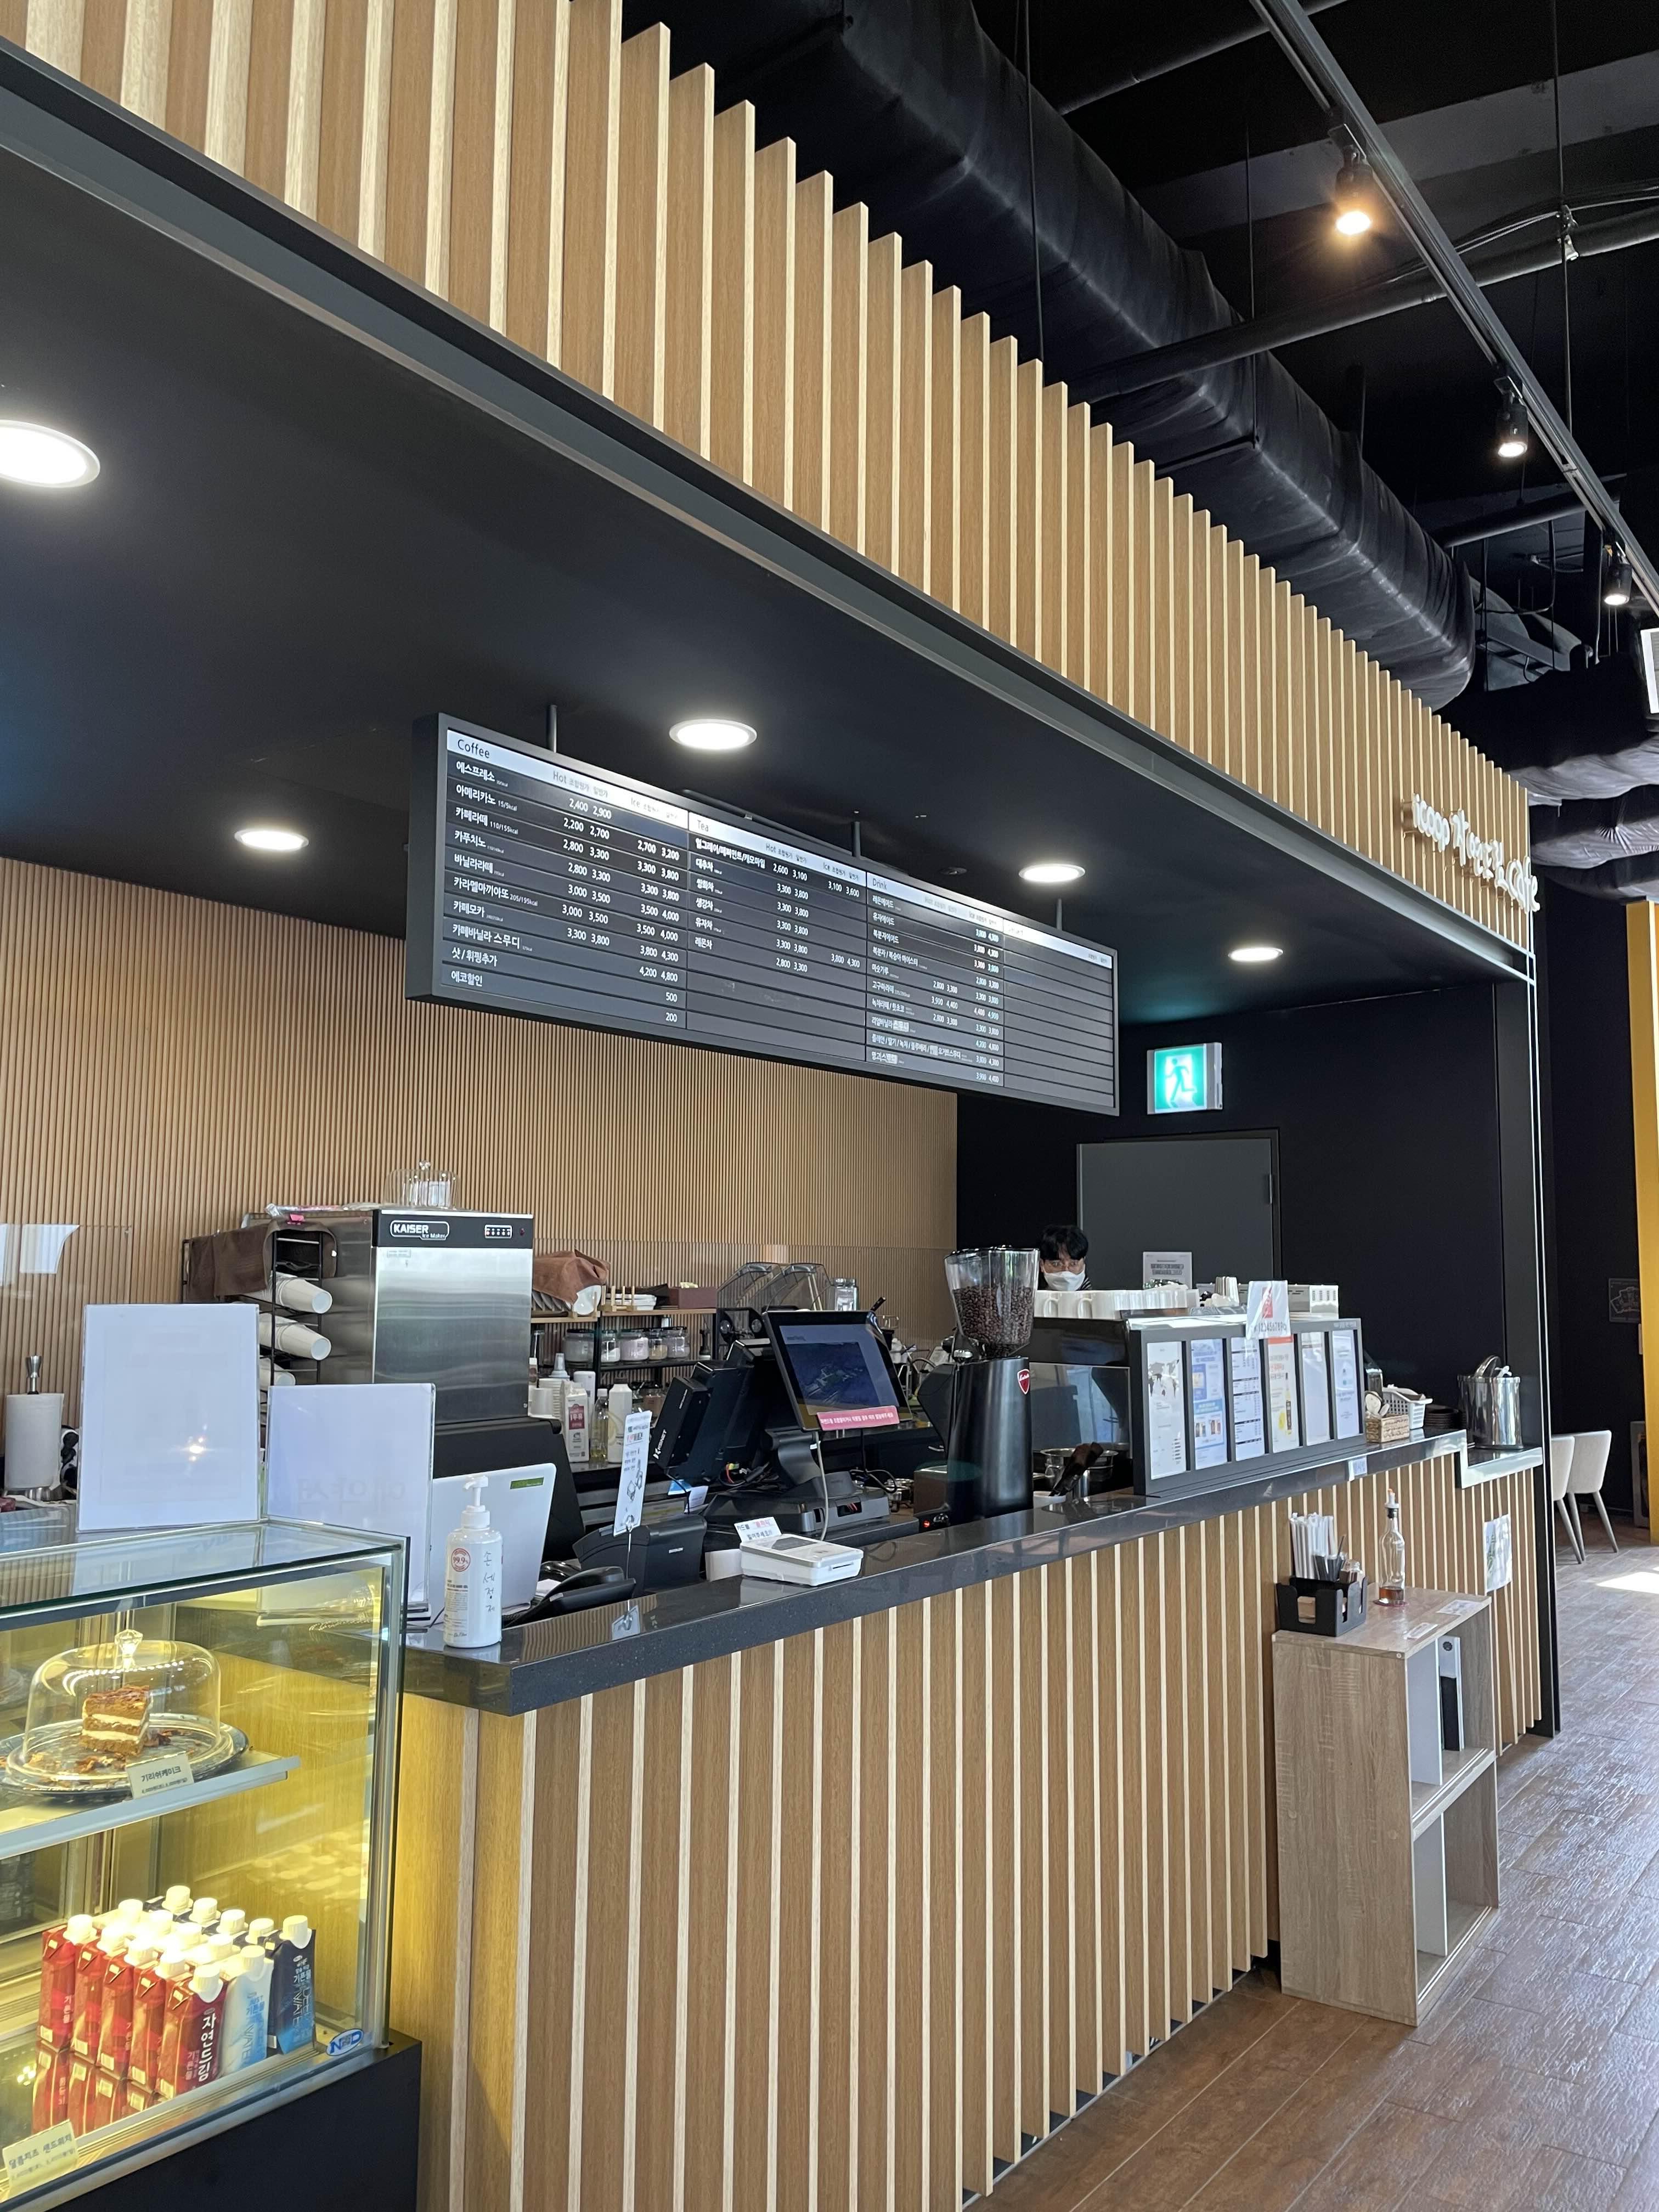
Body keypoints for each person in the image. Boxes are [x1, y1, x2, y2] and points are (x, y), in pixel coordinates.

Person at [1039, 1224, 1090, 1292]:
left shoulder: (1097, 1298)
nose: (1066, 1271)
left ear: (1083, 1263)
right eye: (1056, 1264)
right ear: (1042, 1265)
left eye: (1073, 1263)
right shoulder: (1030, 1296)